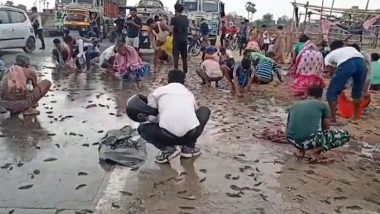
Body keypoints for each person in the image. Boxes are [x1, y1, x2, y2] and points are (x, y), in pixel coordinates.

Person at [138, 69, 211, 163]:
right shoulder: (189, 93)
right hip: (190, 134)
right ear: (183, 81)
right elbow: (193, 114)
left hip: (167, 137)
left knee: (142, 128)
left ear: (168, 80)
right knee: (204, 110)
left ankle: (166, 149)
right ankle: (189, 147)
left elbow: (151, 117)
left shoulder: (158, 92)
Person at [287, 86, 350, 162]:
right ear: (320, 96)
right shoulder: (322, 105)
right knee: (346, 135)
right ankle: (316, 151)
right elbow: (326, 128)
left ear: (307, 94)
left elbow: (289, 125)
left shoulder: (294, 105)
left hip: (291, 140)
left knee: (305, 130)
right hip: (309, 141)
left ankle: (301, 150)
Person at [325, 40, 366, 123]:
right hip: (361, 62)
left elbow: (330, 71)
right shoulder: (349, 48)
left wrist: (332, 75)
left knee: (331, 92)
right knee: (357, 90)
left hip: (347, 64)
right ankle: (356, 117)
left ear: (332, 49)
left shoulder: (328, 56)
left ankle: (333, 118)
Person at [170, 3, 189, 73]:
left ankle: (176, 71)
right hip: (184, 40)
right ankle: (185, 71)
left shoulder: (173, 19)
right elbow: (187, 28)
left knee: (176, 57)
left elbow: (171, 30)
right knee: (184, 57)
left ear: (175, 10)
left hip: (177, 40)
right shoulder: (185, 18)